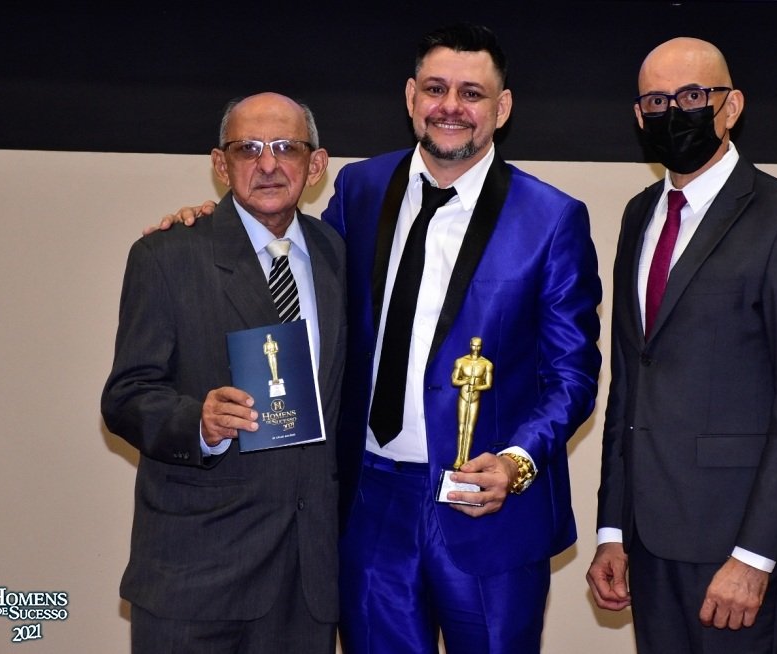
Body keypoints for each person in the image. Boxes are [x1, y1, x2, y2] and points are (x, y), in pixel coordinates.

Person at [152, 23, 601, 654]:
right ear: (411, 97)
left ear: (502, 108)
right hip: (369, 502)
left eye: (471, 93)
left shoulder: (552, 218)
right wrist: (212, 224)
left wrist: (517, 462)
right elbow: (290, 260)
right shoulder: (360, 189)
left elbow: (572, 375)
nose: (451, 106)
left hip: (487, 507)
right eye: (436, 89)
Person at [586, 37, 777, 654]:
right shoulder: (638, 215)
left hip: (735, 548)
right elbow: (630, 380)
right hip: (646, 543)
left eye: (692, 95)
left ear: (731, 107)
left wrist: (755, 556)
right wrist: (612, 529)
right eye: (657, 101)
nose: (674, 111)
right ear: (639, 115)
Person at [102, 92, 346, 653]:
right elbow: (126, 396)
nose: (268, 164)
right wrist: (199, 423)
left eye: (285, 147)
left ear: (315, 165)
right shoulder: (167, 256)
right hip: (198, 576)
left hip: (307, 580)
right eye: (248, 149)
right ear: (220, 164)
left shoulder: (336, 254)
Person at [451, 336, 493, 469]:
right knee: (461, 428)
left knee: (470, 429)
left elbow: (488, 384)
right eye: (474, 345)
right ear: (470, 345)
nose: (476, 348)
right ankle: (459, 457)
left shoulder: (486, 364)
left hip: (475, 398)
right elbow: (454, 381)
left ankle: (466, 458)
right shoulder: (461, 361)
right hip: (463, 396)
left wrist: (476, 386)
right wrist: (466, 381)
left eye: (478, 346)